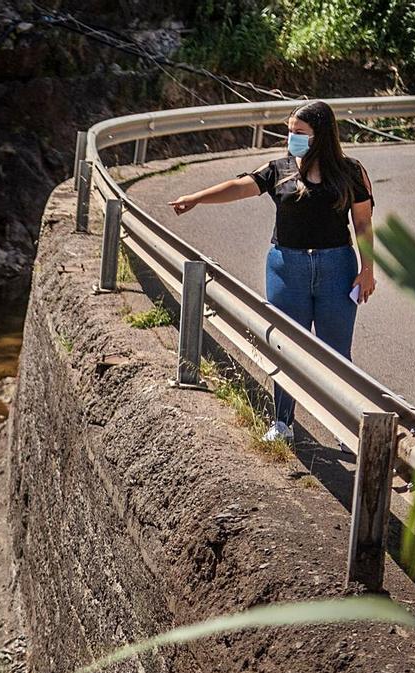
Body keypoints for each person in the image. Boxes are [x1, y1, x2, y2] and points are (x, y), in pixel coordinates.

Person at [167, 100, 375, 444]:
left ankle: (346, 429)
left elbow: (364, 224)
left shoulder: (351, 171)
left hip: (337, 266)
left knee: (336, 352)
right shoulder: (279, 169)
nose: (290, 137)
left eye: (299, 133)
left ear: (321, 135)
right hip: (286, 266)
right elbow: (240, 187)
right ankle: (282, 423)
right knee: (285, 345)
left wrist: (367, 270)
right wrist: (196, 197)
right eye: (289, 131)